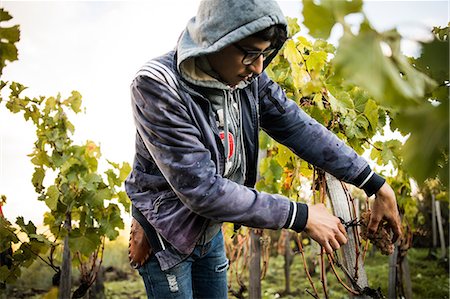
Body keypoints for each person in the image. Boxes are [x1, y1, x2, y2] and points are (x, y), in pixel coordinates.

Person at [125, 0, 402, 298]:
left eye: (264, 54)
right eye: (249, 53)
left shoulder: (249, 79)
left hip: (209, 231)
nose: (258, 67)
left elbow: (296, 126)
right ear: (217, 40)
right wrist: (301, 215)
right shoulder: (156, 85)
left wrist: (374, 183)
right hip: (166, 233)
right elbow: (201, 189)